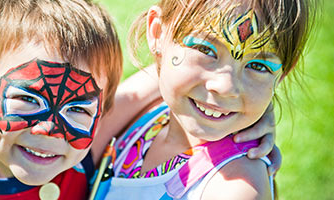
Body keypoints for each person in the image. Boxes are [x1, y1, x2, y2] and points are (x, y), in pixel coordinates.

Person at [99, 0, 317, 199]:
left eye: (259, 66)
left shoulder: (235, 189)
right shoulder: (145, 111)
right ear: (157, 33)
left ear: (282, 74)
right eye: (205, 49)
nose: (225, 87)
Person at [0, 0, 125, 199]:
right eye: (28, 98)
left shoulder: (79, 160)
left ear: (101, 116)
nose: (50, 130)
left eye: (77, 109)